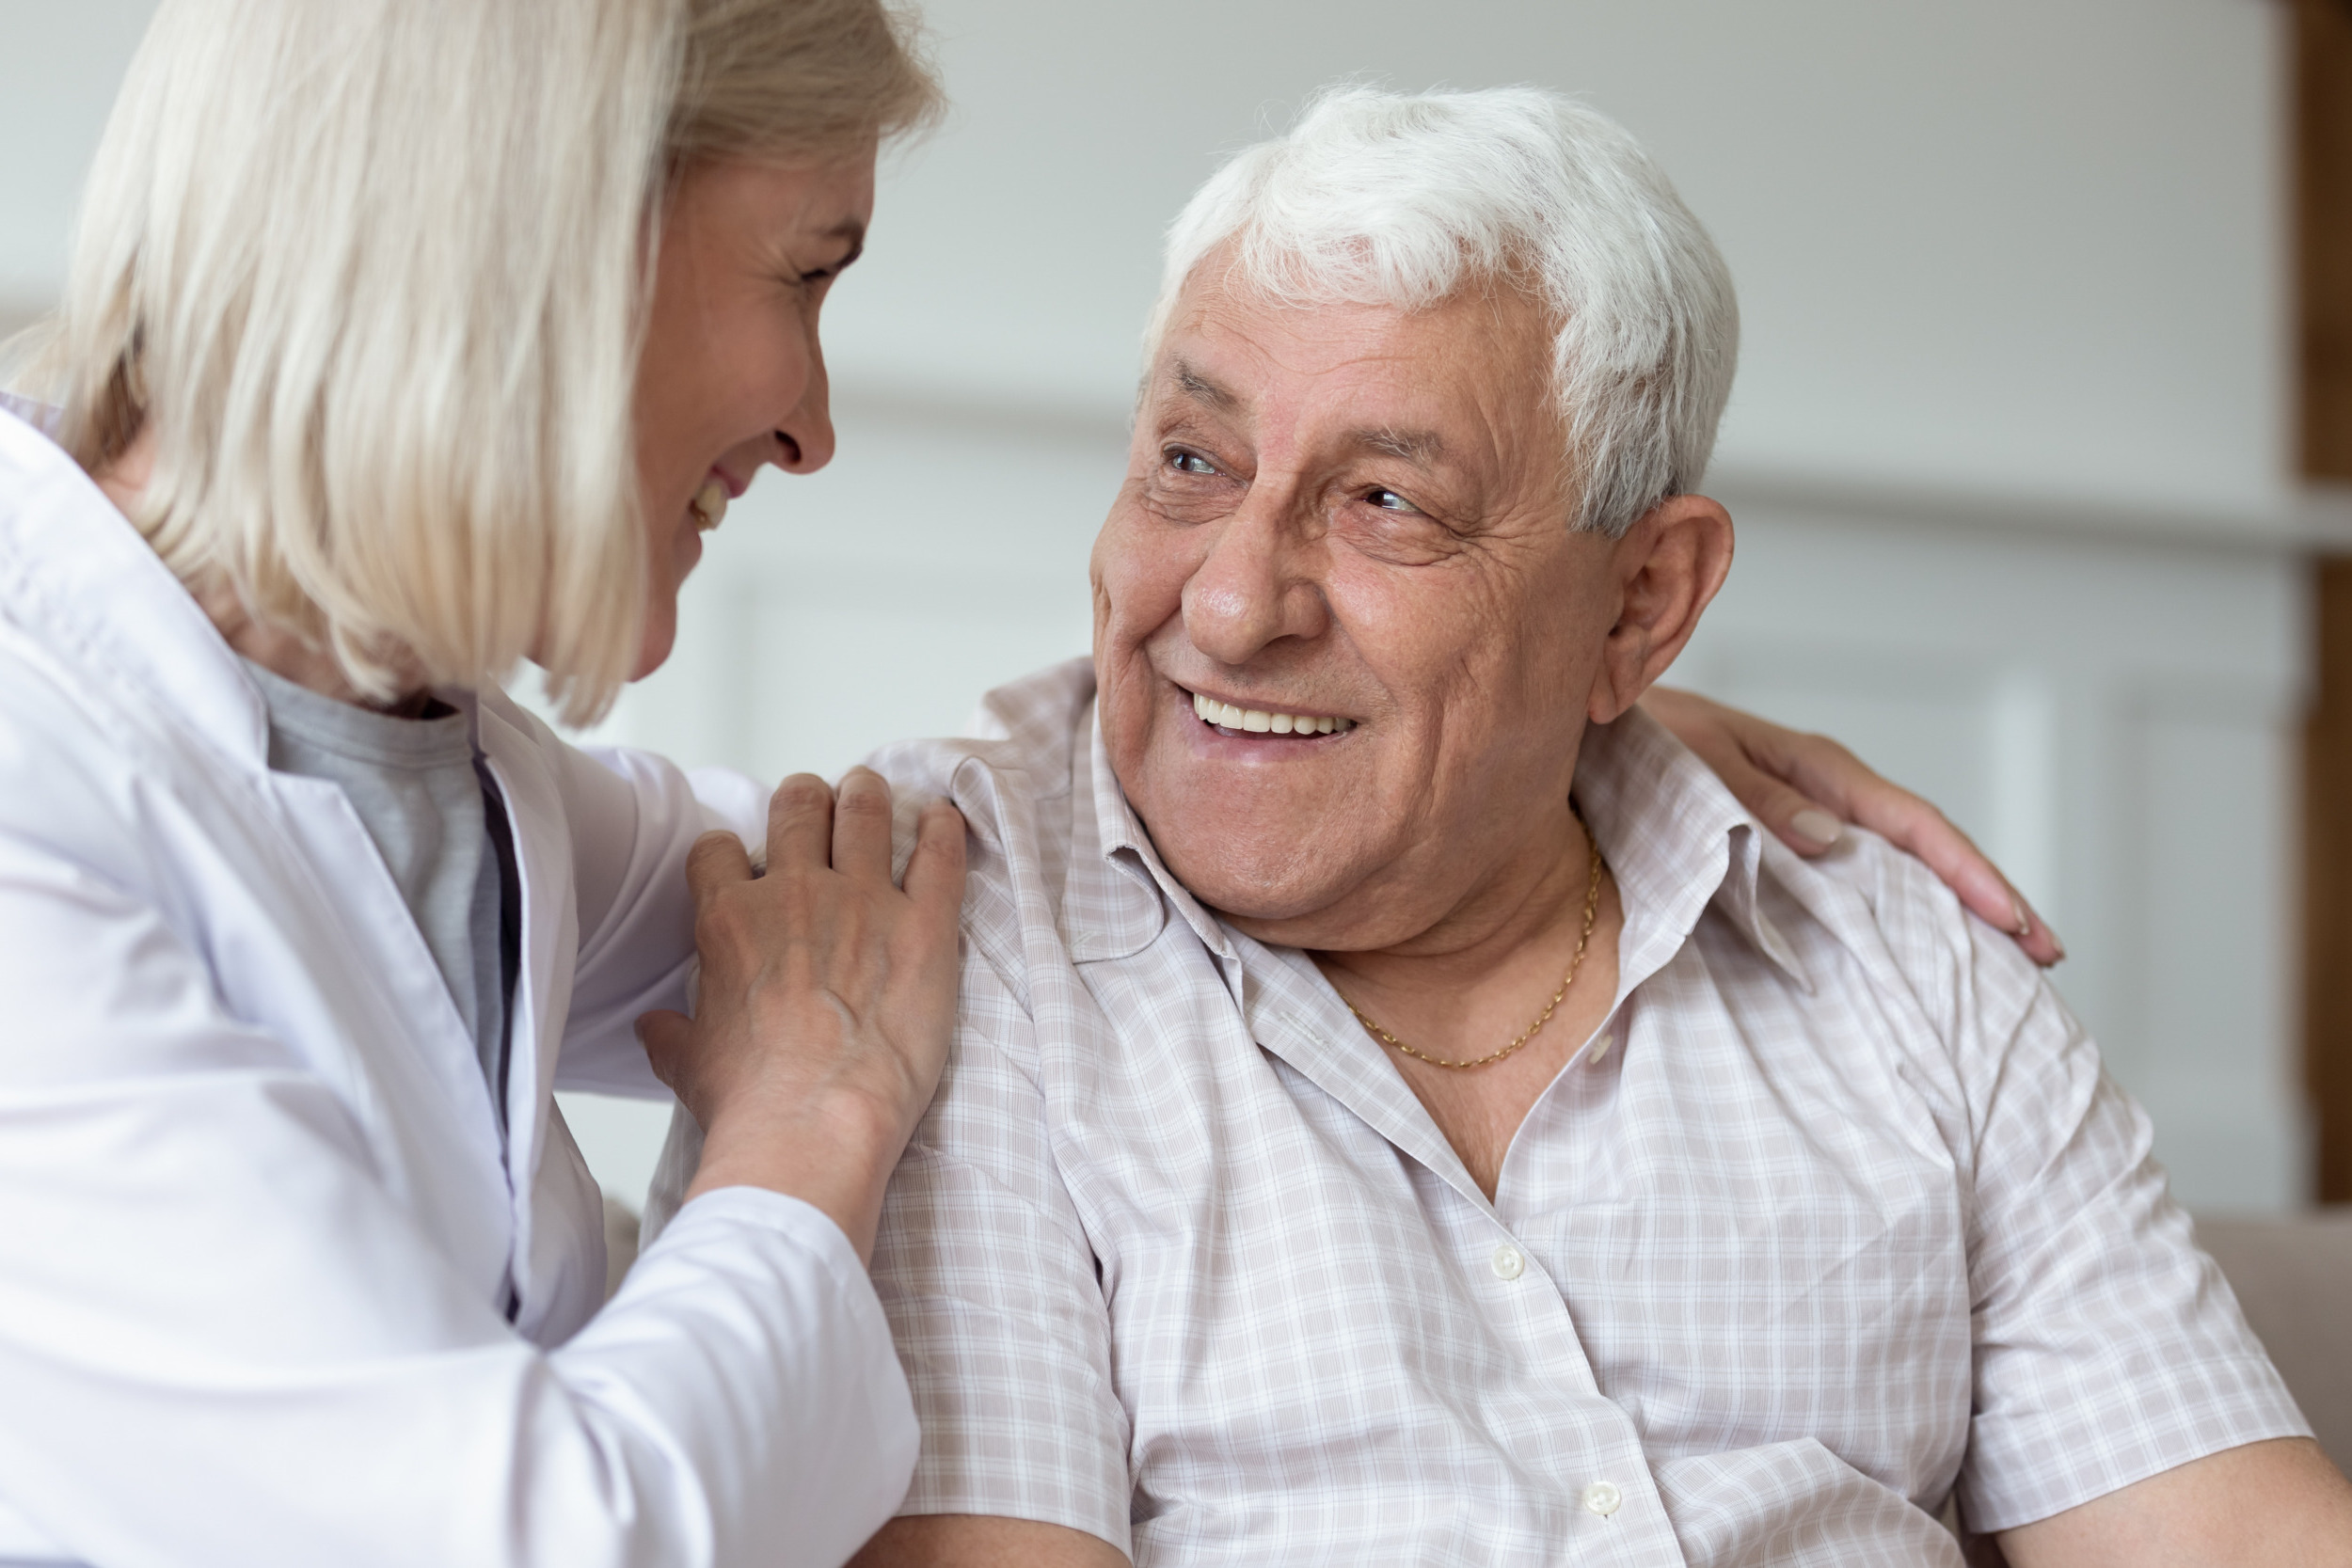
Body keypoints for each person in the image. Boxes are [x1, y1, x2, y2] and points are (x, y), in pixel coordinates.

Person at [649, 87, 2347, 1565]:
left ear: (1644, 604)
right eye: (1187, 459)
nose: (1232, 604)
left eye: (1386, 502)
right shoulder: (943, 938)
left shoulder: (1892, 958)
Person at [0, 2, 969, 1564]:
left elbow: (867, 890)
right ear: (546, 238)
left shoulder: (419, 749)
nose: (813, 427)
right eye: (807, 271)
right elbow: (524, 1540)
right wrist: (807, 1123)